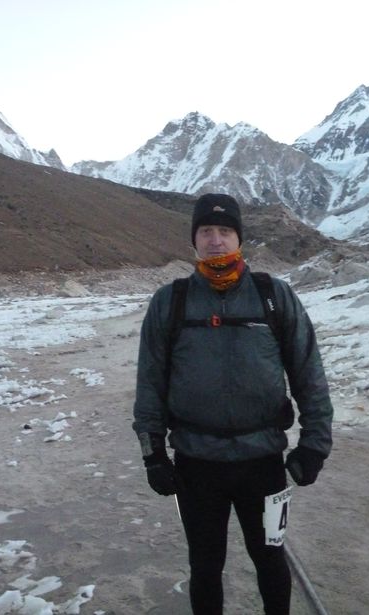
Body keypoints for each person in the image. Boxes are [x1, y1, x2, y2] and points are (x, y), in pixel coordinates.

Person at [132, 193, 333, 615]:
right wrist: (153, 453)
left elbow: (308, 372)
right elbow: (150, 380)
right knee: (205, 566)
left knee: (270, 558)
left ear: (239, 239)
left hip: (264, 463)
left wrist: (315, 444)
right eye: (207, 231)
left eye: (225, 231)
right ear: (195, 241)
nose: (216, 241)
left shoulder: (274, 297)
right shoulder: (171, 302)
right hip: (195, 463)